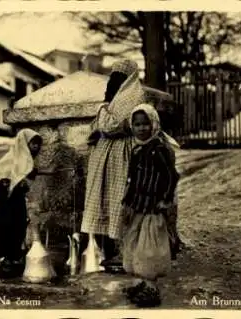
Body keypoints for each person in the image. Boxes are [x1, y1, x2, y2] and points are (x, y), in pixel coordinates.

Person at [81, 59, 147, 270]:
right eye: (113, 76)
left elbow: (111, 125)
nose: (113, 81)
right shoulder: (115, 98)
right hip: (106, 156)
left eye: (119, 77)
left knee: (119, 200)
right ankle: (109, 252)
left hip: (121, 154)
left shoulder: (133, 96)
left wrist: (102, 111)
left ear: (128, 78)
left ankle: (122, 253)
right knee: (105, 199)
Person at [121, 103, 180, 279]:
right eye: (137, 125)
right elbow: (131, 179)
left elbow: (171, 176)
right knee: (134, 235)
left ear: (154, 123)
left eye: (145, 124)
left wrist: (166, 198)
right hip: (138, 203)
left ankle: (150, 272)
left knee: (151, 239)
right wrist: (127, 201)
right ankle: (139, 269)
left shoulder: (159, 149)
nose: (141, 129)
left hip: (154, 204)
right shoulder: (136, 150)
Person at [0, 128, 43, 278]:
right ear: (23, 144)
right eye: (33, 143)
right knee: (6, 230)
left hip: (16, 201)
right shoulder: (10, 159)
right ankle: (5, 261)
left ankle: (16, 260)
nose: (36, 147)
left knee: (19, 228)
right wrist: (12, 184)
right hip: (3, 202)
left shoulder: (24, 161)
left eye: (38, 144)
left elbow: (25, 174)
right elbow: (3, 180)